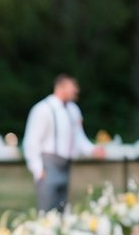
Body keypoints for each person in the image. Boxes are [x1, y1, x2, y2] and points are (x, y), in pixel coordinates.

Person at [23, 74, 104, 211]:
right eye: (73, 86)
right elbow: (32, 141)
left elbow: (78, 137)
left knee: (62, 207)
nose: (76, 90)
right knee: (47, 209)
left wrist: (92, 150)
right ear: (61, 87)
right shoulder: (43, 109)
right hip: (48, 165)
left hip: (65, 165)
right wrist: (37, 168)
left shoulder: (73, 110)